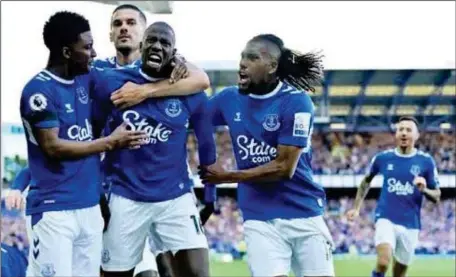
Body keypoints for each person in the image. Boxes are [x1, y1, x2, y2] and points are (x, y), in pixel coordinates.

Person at [19, 11, 147, 277]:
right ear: (67, 52)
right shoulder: (38, 92)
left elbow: (137, 75)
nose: (94, 53)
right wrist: (109, 143)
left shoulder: (88, 79)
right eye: (87, 47)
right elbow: (53, 147)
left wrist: (177, 63)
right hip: (54, 211)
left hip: (89, 209)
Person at [199, 34, 335, 277]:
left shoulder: (297, 102)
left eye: (252, 58)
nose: (242, 63)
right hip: (259, 217)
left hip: (303, 213)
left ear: (272, 67)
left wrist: (228, 176)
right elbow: (192, 117)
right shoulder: (229, 99)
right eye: (242, 56)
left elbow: (284, 167)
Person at [92, 21, 217, 277]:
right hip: (125, 196)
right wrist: (97, 191)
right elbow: (92, 135)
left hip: (176, 198)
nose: (157, 46)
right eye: (152, 40)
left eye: (165, 42)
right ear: (141, 45)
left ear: (174, 52)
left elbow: (207, 144)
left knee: (197, 273)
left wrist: (210, 197)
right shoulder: (112, 82)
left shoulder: (191, 91)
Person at [346, 116, 441, 277]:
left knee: (399, 274)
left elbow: (437, 195)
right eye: (400, 129)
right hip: (386, 217)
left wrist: (424, 189)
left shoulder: (426, 162)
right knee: (383, 262)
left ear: (417, 135)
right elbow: (365, 181)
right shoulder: (383, 158)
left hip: (411, 224)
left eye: (408, 130)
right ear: (396, 133)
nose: (404, 133)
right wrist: (356, 208)